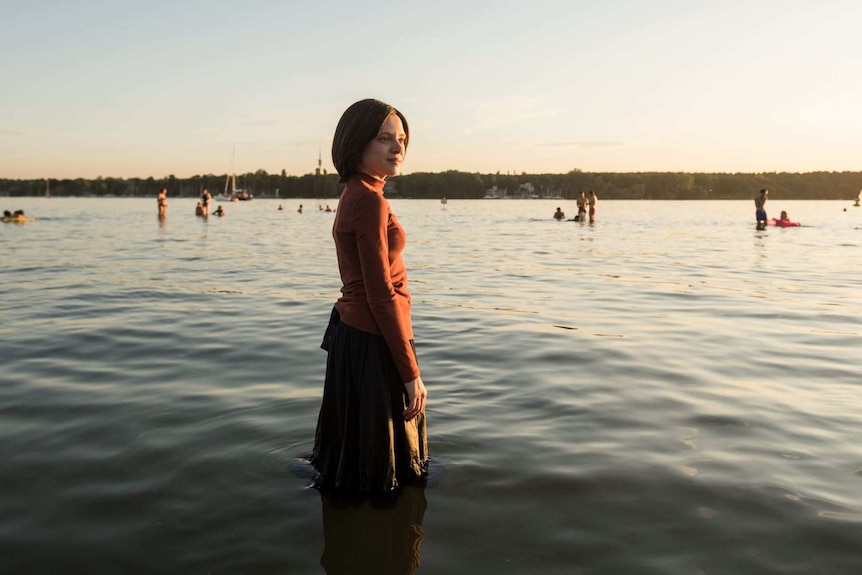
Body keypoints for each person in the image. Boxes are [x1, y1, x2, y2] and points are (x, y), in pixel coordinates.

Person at [310, 98, 428, 494]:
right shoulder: (369, 201)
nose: (398, 147)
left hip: (357, 336)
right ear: (358, 142)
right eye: (384, 138)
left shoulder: (357, 193)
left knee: (355, 460)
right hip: (373, 337)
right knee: (384, 470)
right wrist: (411, 373)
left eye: (401, 139)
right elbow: (380, 295)